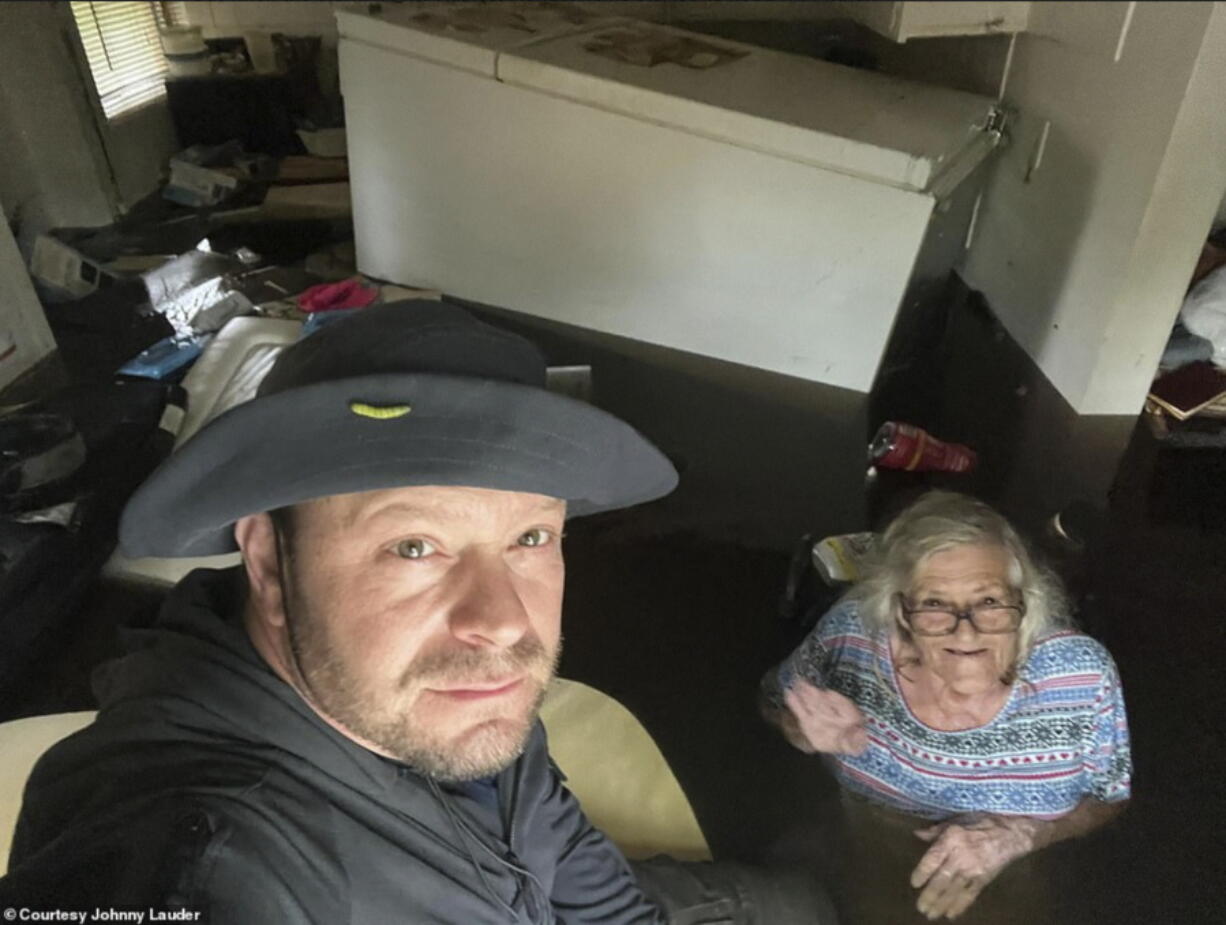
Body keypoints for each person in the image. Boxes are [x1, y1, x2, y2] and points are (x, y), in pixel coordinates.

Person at [1, 301, 832, 924]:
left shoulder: (438, 688)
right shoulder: (198, 856)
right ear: (268, 562)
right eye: (414, 545)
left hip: (523, 895)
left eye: (531, 534)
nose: (503, 622)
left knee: (809, 902)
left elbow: (561, 847)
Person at [760, 491, 1131, 922]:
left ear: (1025, 602)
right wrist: (800, 730)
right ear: (900, 611)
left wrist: (1020, 835)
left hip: (1017, 874)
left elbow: (1111, 795)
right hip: (867, 849)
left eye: (989, 602)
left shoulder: (1081, 675)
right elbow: (773, 696)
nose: (967, 634)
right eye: (935, 604)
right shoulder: (854, 635)